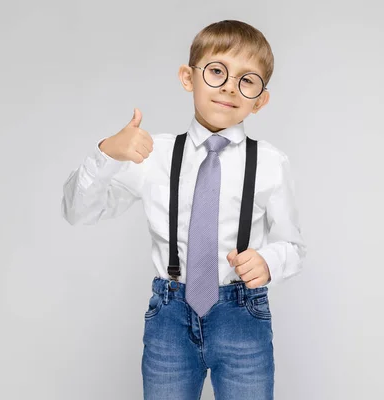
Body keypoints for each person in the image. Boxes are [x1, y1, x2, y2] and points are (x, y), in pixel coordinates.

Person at [61, 19, 306, 400]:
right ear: (187, 78)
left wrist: (271, 260)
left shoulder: (272, 162)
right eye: (216, 71)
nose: (229, 86)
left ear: (261, 99)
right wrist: (107, 152)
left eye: (247, 80)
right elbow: (79, 211)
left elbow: (293, 245)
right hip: (170, 317)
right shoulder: (152, 154)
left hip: (243, 316)